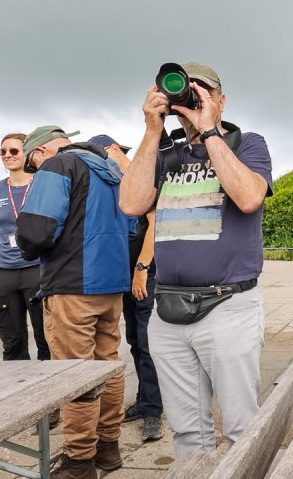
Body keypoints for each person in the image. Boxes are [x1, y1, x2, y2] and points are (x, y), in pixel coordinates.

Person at [120, 62, 273, 457]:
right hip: (168, 309)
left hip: (229, 305)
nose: (192, 98)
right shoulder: (163, 150)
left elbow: (249, 198)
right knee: (187, 433)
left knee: (241, 429)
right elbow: (131, 203)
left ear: (221, 100)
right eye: (185, 92)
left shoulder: (247, 143)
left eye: (202, 91)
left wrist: (208, 131)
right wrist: (152, 130)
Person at [16, 126, 130, 479]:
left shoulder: (58, 165)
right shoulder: (111, 169)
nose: (34, 170)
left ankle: (79, 462)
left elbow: (35, 230)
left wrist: (28, 249)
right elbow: (132, 227)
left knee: (75, 374)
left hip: (72, 283)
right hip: (111, 283)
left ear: (40, 151)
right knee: (108, 364)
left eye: (32, 163)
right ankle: (108, 448)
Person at [90, 135, 164, 444]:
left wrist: (141, 269)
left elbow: (156, 223)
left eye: (100, 155)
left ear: (112, 150)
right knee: (134, 340)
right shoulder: (111, 183)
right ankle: (145, 399)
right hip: (124, 277)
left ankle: (153, 411)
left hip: (144, 275)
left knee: (146, 343)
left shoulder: (140, 176)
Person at [0, 132, 50, 361]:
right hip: (3, 272)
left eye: (14, 150)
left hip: (37, 270)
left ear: (28, 152)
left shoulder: (44, 185)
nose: (7, 155)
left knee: (47, 341)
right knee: (13, 344)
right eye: (3, 151)